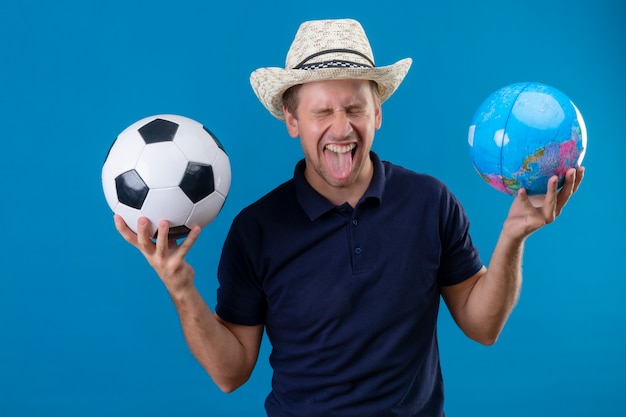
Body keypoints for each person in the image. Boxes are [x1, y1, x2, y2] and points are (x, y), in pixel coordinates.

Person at [114, 18, 584, 417]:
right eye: (322, 112)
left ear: (377, 113)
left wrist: (513, 235)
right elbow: (230, 373)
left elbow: (483, 327)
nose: (341, 128)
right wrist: (179, 288)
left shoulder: (430, 202)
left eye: (355, 107)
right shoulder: (256, 230)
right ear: (292, 121)